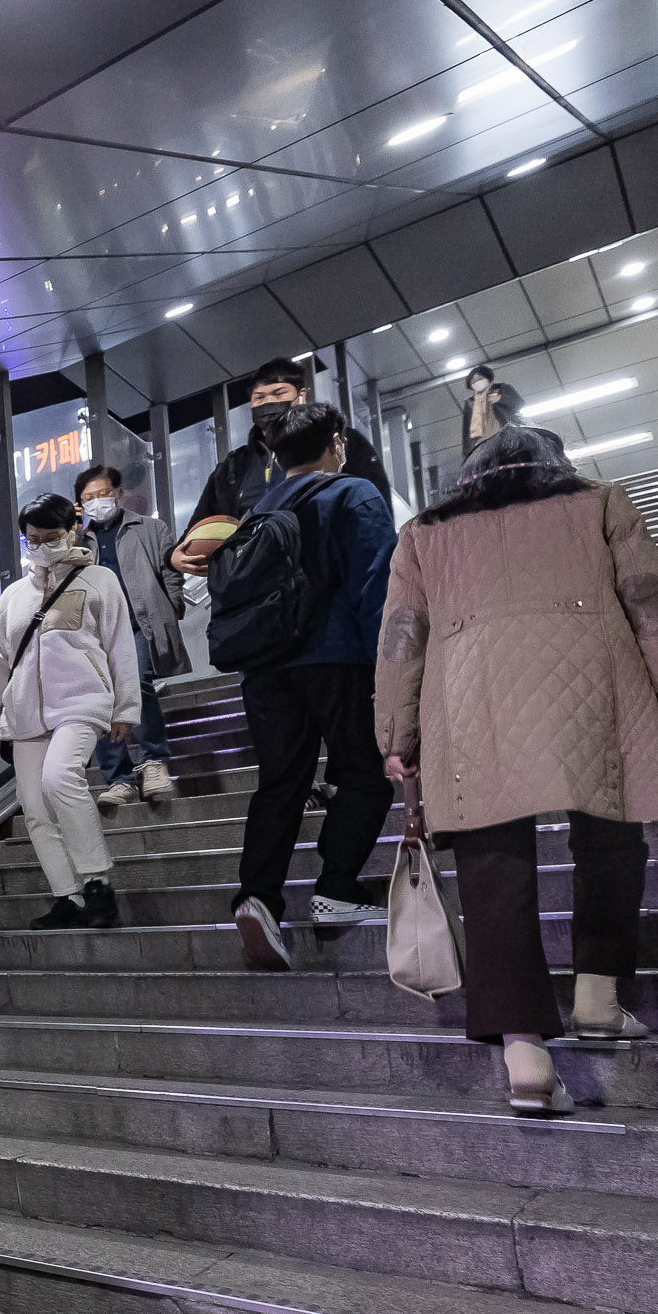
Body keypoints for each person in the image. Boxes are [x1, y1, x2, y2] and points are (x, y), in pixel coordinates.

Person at [376, 427, 658, 1112]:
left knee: (493, 866)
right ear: (557, 464)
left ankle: (525, 1053)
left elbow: (402, 636)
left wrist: (395, 732)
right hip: (595, 678)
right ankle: (598, 996)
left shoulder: (424, 533)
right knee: (610, 835)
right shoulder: (601, 502)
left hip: (470, 699)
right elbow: (650, 601)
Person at [224, 403, 401, 969]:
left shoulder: (256, 510)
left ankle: (258, 899)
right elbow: (377, 585)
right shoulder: (354, 494)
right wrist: (393, 668)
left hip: (266, 668)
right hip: (339, 659)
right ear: (336, 442)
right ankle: (337, 890)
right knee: (364, 774)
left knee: (279, 784)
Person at [0, 494, 139, 930]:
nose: (41, 546)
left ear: (72, 530)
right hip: (25, 712)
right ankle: (67, 895)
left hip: (82, 702)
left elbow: (120, 646)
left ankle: (97, 882)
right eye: (32, 539)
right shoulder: (14, 595)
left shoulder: (99, 580)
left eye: (50, 537)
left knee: (59, 777)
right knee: (32, 804)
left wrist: (126, 707)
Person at [72, 466, 188, 808]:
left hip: (138, 623)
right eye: (88, 498)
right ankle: (119, 778)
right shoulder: (79, 540)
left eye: (103, 494)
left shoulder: (149, 528)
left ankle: (152, 761)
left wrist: (174, 604)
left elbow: (171, 569)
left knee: (136, 684)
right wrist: (74, 533)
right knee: (98, 699)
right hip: (94, 631)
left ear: (119, 493)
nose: (97, 502)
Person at [191, 356, 394, 523]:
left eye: (278, 394)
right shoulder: (233, 466)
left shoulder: (340, 440)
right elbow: (199, 526)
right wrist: (175, 556)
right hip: (258, 568)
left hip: (328, 565)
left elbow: (376, 509)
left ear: (301, 396)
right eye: (259, 398)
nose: (268, 402)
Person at [459, 365, 524, 462]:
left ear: (488, 378)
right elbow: (467, 431)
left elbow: (518, 402)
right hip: (486, 444)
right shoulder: (470, 403)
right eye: (473, 382)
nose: (477, 383)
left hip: (511, 435)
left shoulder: (501, 389)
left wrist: (500, 398)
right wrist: (467, 455)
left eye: (480, 379)